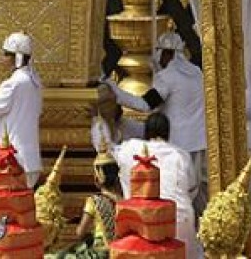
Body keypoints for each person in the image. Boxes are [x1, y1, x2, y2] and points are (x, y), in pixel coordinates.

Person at [104, 32, 207, 214]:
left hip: (175, 142)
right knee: (194, 188)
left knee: (173, 186)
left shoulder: (168, 76)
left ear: (167, 53)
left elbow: (145, 105)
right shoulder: (197, 72)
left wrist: (115, 90)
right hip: (199, 141)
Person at [115, 114, 201, 259]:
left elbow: (106, 148)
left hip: (143, 220)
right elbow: (191, 187)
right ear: (168, 132)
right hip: (179, 216)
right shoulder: (180, 155)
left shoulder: (128, 149)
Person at [0, 31, 43, 187]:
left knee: (10, 207)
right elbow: (17, 112)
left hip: (14, 160)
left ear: (17, 57)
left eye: (7, 54)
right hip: (31, 159)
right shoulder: (35, 83)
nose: (4, 59)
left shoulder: (13, 83)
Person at [57, 141, 121, 258]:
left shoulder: (94, 201)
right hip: (120, 250)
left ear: (97, 178)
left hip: (101, 253)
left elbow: (79, 233)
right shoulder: (124, 201)